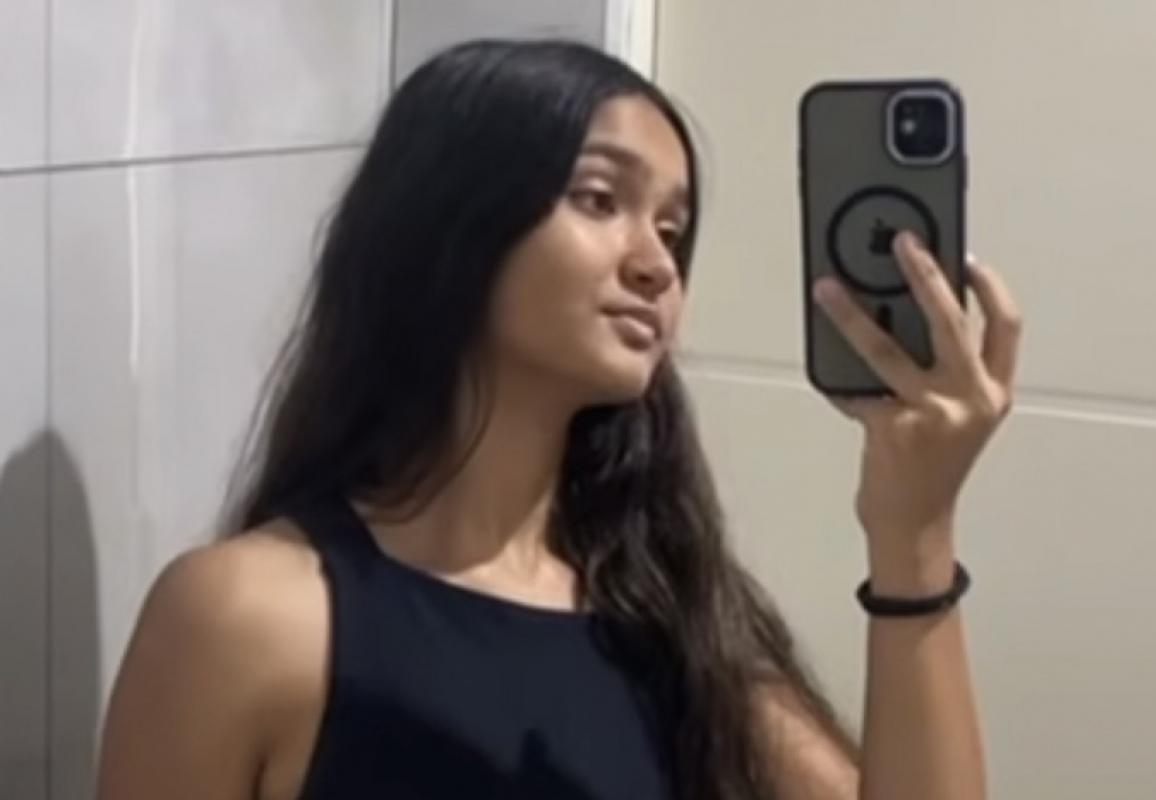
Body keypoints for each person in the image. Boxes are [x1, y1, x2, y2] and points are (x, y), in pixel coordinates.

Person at [96, 39, 1021, 800]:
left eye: (672, 230)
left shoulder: (666, 616)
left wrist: (914, 530)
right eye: (600, 200)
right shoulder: (248, 617)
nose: (656, 264)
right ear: (450, 223)